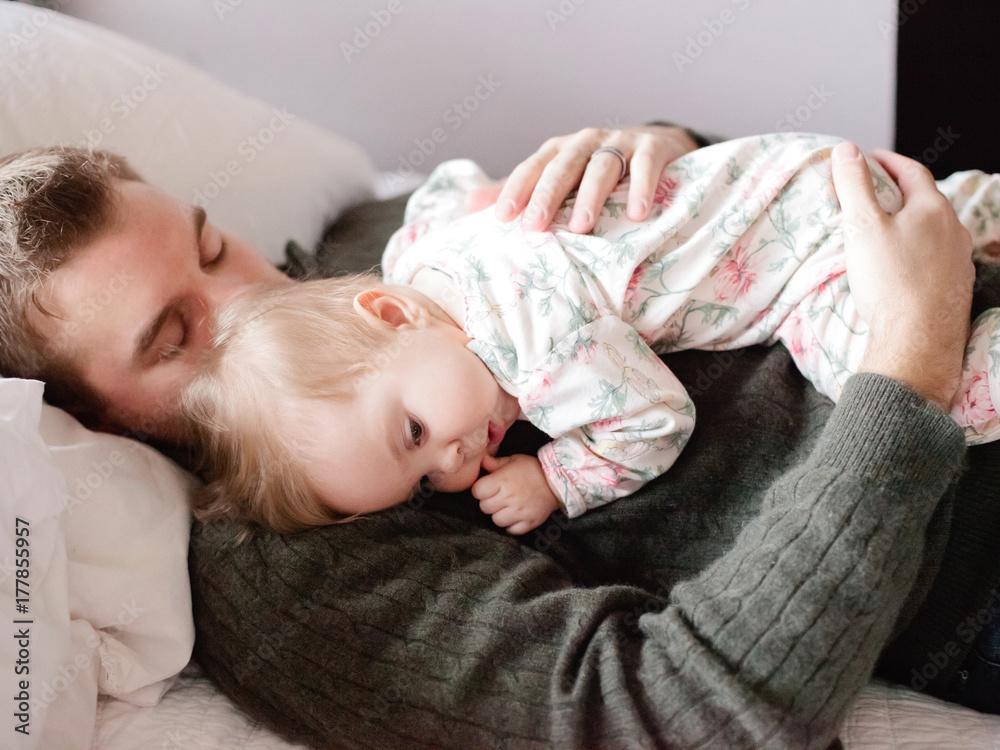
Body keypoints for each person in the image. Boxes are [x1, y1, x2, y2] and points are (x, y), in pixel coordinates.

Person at [0, 124, 990, 747]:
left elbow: (690, 220)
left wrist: (656, 147)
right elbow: (688, 718)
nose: (250, 297)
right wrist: (908, 363)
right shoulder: (291, 561)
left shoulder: (371, 241)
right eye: (176, 334)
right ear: (93, 420)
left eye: (214, 246)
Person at [181, 132, 1000, 537]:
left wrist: (556, 477)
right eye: (427, 480)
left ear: (392, 317)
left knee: (920, 399)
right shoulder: (415, 250)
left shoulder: (533, 348)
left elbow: (653, 419)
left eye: (416, 433)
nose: (458, 464)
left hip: (806, 255)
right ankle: (979, 208)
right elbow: (452, 187)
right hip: (788, 168)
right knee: (949, 215)